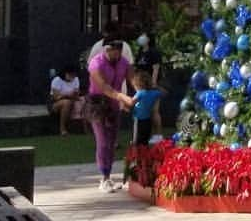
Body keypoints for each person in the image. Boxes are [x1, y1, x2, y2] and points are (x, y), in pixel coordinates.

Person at [84, 36, 134, 194]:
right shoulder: (96, 63)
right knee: (103, 141)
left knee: (112, 141)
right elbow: (104, 87)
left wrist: (141, 93)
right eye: (110, 50)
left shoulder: (124, 62)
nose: (114, 54)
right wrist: (123, 97)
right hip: (97, 104)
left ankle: (109, 175)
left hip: (114, 105)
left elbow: (133, 79)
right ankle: (104, 178)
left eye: (117, 51)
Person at [122, 67, 166, 190]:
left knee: (136, 144)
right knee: (145, 143)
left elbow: (131, 103)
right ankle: (145, 166)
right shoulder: (154, 93)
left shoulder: (140, 93)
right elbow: (164, 92)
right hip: (148, 121)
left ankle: (136, 169)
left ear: (138, 85)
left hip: (138, 121)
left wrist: (123, 101)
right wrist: (155, 86)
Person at [48, 66, 81, 136]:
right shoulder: (57, 80)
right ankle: (62, 128)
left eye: (73, 75)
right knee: (66, 103)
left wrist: (75, 94)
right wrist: (67, 95)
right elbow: (56, 97)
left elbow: (77, 94)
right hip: (56, 103)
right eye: (70, 75)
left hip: (71, 99)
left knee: (83, 101)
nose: (72, 77)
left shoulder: (76, 79)